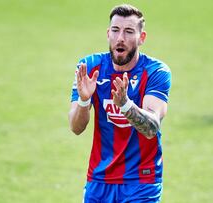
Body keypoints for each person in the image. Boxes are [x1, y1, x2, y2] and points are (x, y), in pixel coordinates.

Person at [69, 4, 172, 203]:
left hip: (142, 181)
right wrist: (83, 100)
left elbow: (151, 128)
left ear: (142, 38)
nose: (120, 38)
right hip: (99, 180)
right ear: (108, 34)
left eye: (129, 31)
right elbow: (75, 127)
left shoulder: (155, 72)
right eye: (115, 30)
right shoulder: (89, 67)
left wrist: (125, 105)